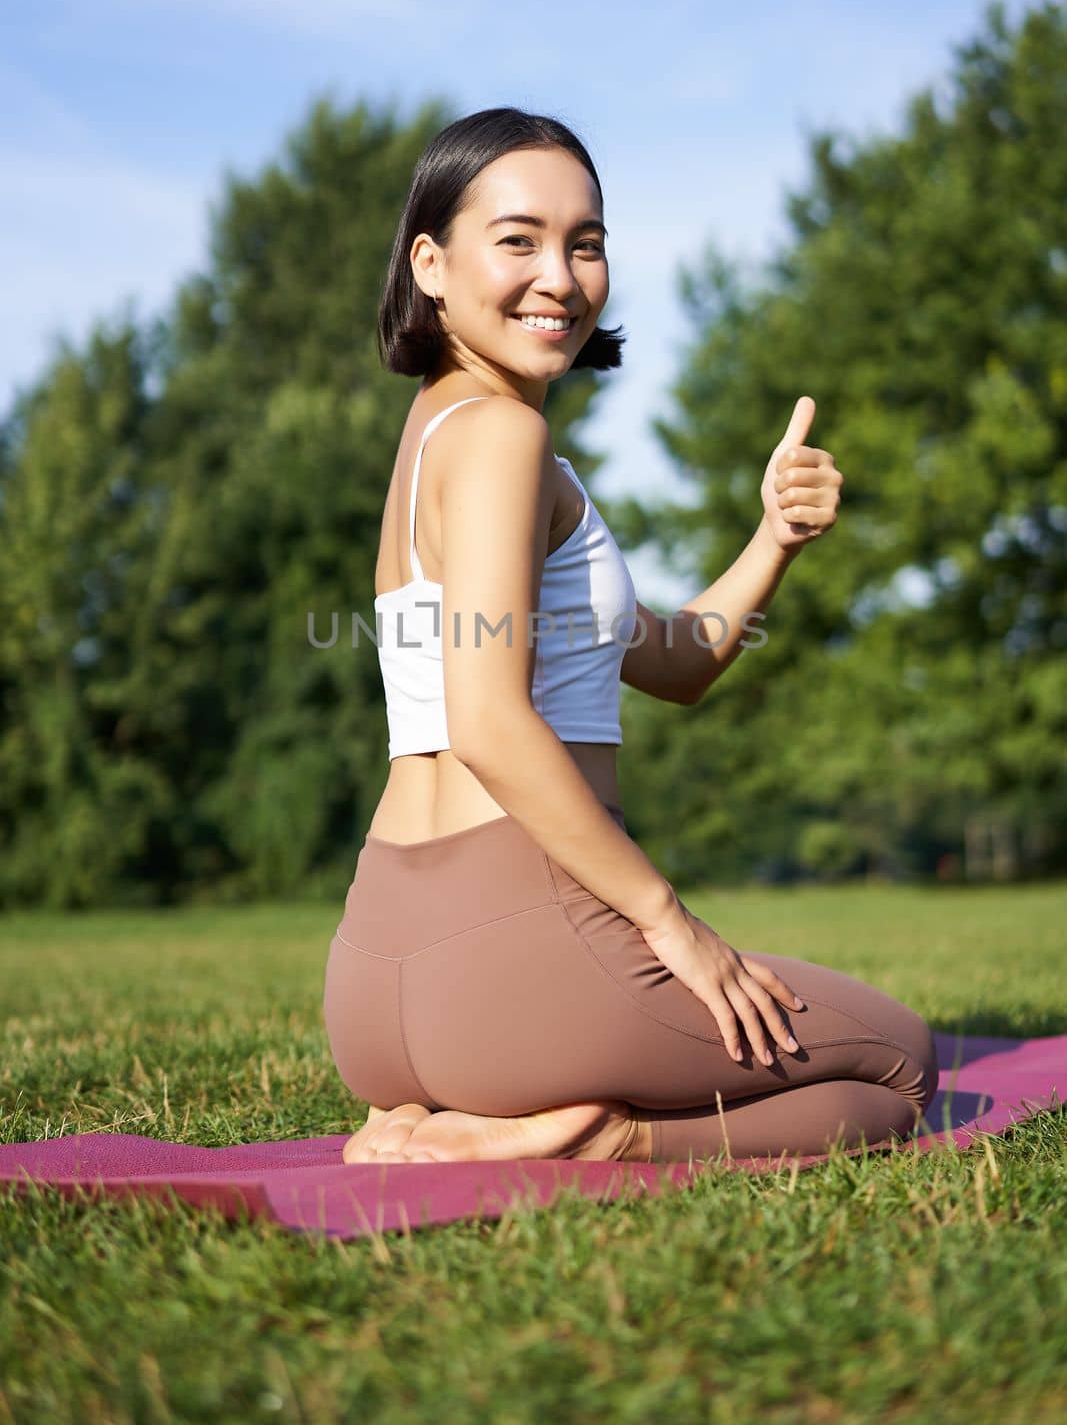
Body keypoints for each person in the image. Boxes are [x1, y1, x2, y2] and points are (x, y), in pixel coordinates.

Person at [323, 107, 938, 1166]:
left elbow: (670, 660)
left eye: (585, 240)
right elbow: (484, 717)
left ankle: (452, 1113)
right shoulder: (505, 438)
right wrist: (669, 921)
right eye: (516, 239)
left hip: (377, 981)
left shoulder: (437, 435)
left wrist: (775, 535)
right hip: (517, 964)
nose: (558, 275)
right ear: (429, 262)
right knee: (901, 1065)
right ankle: (600, 1135)